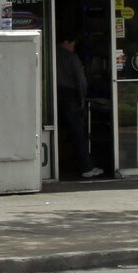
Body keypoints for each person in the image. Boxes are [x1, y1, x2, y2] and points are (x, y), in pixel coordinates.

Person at [56, 34, 91, 180]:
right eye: (73, 44)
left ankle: (59, 164)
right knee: (78, 132)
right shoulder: (71, 57)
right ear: (65, 42)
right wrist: (82, 98)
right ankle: (86, 166)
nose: (73, 47)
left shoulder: (51, 54)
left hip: (55, 96)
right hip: (70, 96)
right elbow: (81, 80)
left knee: (60, 132)